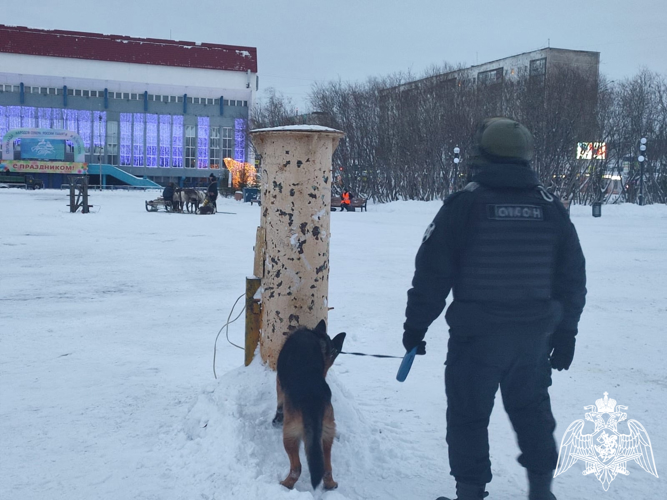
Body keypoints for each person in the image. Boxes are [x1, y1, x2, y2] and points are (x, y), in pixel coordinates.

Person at [402, 117, 586, 500]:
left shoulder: (464, 205)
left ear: (481, 154)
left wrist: (416, 328)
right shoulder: (550, 208)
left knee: (468, 416)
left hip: (476, 340)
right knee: (533, 415)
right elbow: (572, 278)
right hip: (533, 340)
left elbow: (432, 275)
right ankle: (541, 491)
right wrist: (566, 332)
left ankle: (470, 494)